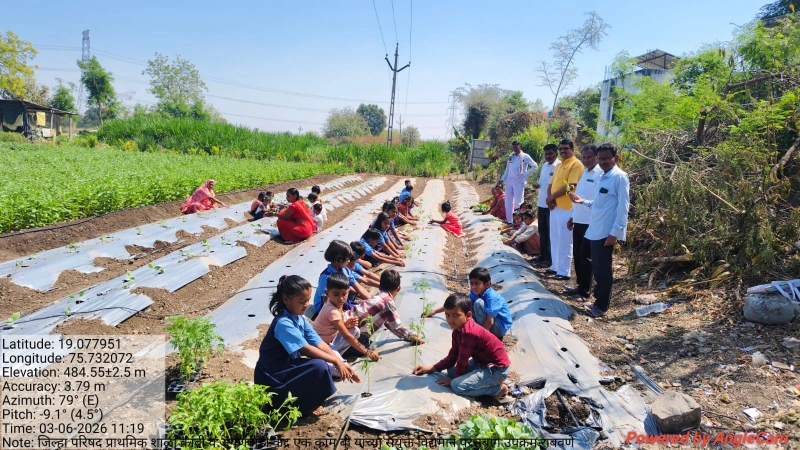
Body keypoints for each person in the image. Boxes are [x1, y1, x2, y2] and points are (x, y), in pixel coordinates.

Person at [254, 275, 359, 418]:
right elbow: (305, 349)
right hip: (273, 376)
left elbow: (319, 343)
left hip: (286, 368)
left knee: (320, 366)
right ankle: (299, 408)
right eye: (302, 301)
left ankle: (307, 401)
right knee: (319, 366)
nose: (306, 304)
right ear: (286, 299)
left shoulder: (300, 319)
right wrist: (335, 361)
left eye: (308, 300)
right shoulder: (283, 323)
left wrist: (341, 362)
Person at [413, 294, 511, 402]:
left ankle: (498, 389)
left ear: (468, 315)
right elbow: (453, 355)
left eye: (456, 315)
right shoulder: (457, 331)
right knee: (450, 371)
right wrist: (431, 368)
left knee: (456, 386)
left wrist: (454, 380)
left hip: (497, 369)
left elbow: (462, 361)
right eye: (448, 315)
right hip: (482, 363)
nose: (450, 320)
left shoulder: (469, 333)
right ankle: (488, 382)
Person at [569, 143, 630, 318]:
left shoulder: (619, 177)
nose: (602, 162)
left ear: (615, 158)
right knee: (589, 260)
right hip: (594, 229)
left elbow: (623, 208)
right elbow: (599, 204)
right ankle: (595, 297)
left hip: (605, 232)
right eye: (600, 158)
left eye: (606, 158)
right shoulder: (604, 177)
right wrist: (583, 202)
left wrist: (615, 232)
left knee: (603, 269)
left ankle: (601, 306)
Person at [425, 267, 513, 340]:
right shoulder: (475, 293)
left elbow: (490, 321)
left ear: (487, 284)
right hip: (489, 323)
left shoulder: (492, 297)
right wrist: (435, 311)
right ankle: (476, 330)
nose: (473, 287)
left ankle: (483, 335)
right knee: (466, 304)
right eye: (471, 283)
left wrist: (478, 337)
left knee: (478, 303)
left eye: (477, 284)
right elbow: (459, 304)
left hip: (499, 327)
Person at [565, 145, 604, 300]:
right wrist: (572, 216)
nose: (586, 160)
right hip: (579, 220)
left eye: (590, 157)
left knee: (586, 257)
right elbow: (578, 197)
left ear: (596, 157)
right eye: (584, 157)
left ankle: (585, 291)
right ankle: (580, 286)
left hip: (590, 221)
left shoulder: (600, 174)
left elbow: (599, 200)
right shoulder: (585, 173)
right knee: (578, 255)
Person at [313, 273, 379, 361]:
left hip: (329, 341)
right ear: (327, 293)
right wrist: (367, 352)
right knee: (339, 369)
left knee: (354, 330)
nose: (341, 298)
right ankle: (332, 357)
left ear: (348, 291)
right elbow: (347, 336)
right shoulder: (332, 311)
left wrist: (346, 325)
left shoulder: (334, 303)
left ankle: (337, 354)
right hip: (322, 347)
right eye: (336, 294)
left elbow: (333, 328)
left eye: (344, 294)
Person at [545, 139, 584, 281]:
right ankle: (555, 266)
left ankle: (564, 271)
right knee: (554, 238)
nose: (562, 151)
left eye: (565, 148)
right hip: (555, 207)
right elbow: (551, 184)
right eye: (560, 149)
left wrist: (552, 197)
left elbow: (571, 186)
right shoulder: (560, 164)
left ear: (572, 149)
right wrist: (550, 198)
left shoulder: (576, 164)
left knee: (565, 241)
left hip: (568, 208)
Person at [352, 269, 424, 344]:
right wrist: (411, 336)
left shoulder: (377, 297)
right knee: (368, 345)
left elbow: (388, 323)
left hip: (346, 327)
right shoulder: (387, 301)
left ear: (379, 287)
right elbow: (395, 325)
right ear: (398, 288)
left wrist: (405, 336)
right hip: (354, 336)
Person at [312, 240, 370, 317]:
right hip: (326, 307)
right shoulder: (326, 276)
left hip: (340, 301)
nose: (349, 261)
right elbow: (326, 301)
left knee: (366, 310)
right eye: (347, 259)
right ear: (338, 259)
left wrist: (371, 301)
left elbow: (359, 288)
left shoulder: (345, 270)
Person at [532, 145, 560, 267]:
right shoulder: (544, 166)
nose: (548, 156)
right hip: (541, 203)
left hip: (552, 205)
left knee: (551, 232)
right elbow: (543, 182)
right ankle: (542, 255)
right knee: (542, 231)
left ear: (556, 154)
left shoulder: (559, 166)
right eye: (546, 154)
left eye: (550, 154)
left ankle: (549, 259)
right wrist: (537, 185)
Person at [500, 140, 538, 224]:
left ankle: (519, 222)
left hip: (519, 181)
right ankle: (509, 220)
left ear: (519, 146)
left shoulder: (525, 156)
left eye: (516, 147)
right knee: (508, 202)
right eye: (513, 147)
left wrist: (525, 174)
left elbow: (535, 166)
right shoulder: (511, 156)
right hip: (509, 181)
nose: (514, 149)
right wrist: (503, 178)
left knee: (518, 202)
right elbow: (507, 169)